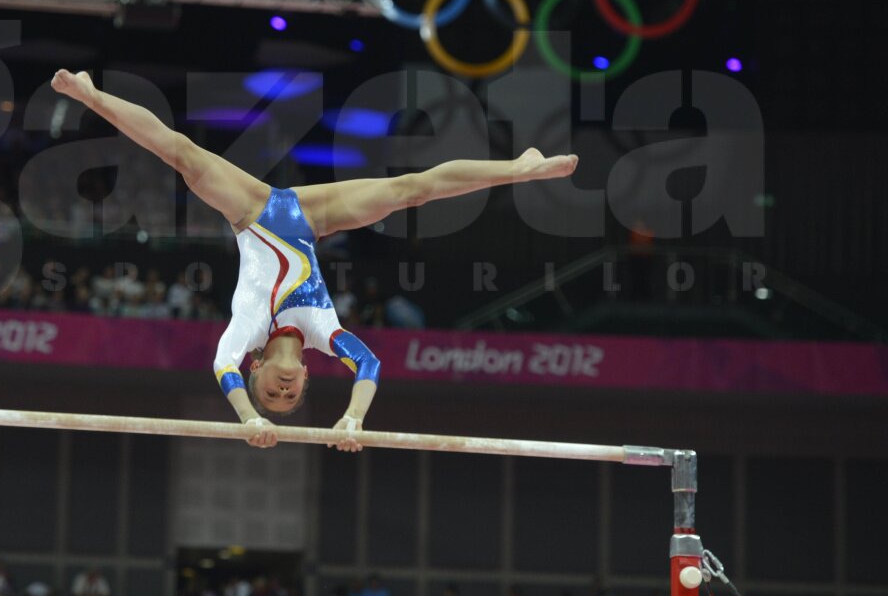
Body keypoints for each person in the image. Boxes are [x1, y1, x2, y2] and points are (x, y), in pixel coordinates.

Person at [51, 69, 577, 450]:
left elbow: (220, 365)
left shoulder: (249, 330)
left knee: (182, 155)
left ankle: (91, 94)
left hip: (253, 213)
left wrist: (247, 421)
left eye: (268, 396)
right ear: (305, 376)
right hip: (308, 219)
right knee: (410, 190)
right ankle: (519, 170)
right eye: (289, 398)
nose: (280, 394)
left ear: (256, 371)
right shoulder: (323, 331)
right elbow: (368, 364)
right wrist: (352, 418)